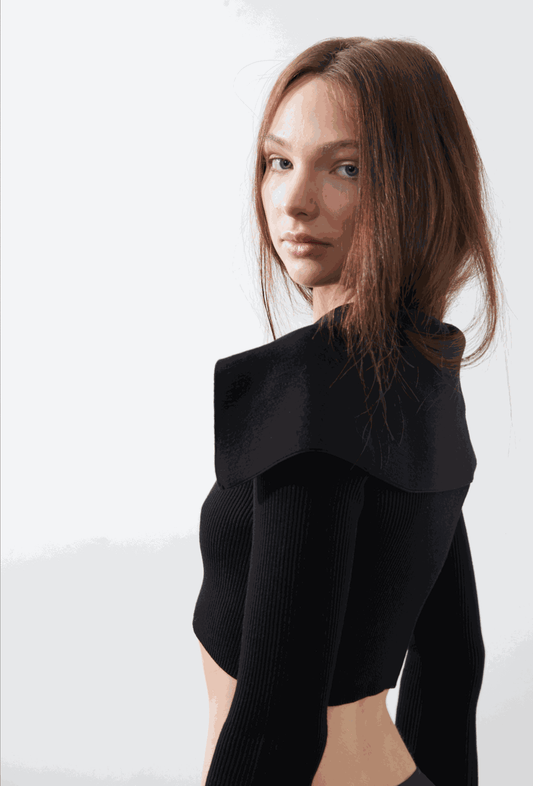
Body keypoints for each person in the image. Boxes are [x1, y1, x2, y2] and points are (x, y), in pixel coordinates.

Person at [192, 36, 506, 785]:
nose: (293, 202)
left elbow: (277, 720)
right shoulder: (424, 367)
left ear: (417, 188)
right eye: (278, 161)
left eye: (346, 169)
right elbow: (453, 658)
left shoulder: (317, 387)